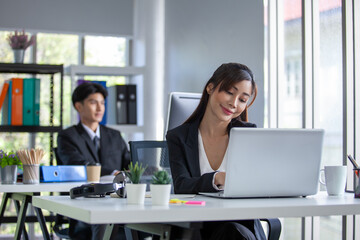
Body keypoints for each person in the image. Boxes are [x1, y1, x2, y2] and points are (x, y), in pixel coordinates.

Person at [166, 63, 266, 240]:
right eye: (229, 92)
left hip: (240, 223)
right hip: (197, 226)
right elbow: (182, 186)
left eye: (242, 100)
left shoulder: (248, 134)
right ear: (210, 87)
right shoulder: (178, 137)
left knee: (232, 231)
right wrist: (217, 178)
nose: (233, 104)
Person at [57, 82, 130, 240]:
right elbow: (78, 165)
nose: (99, 108)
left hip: (116, 203)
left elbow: (130, 163)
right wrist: (114, 173)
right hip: (84, 206)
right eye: (93, 102)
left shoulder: (114, 136)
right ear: (79, 106)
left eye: (102, 103)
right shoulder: (67, 136)